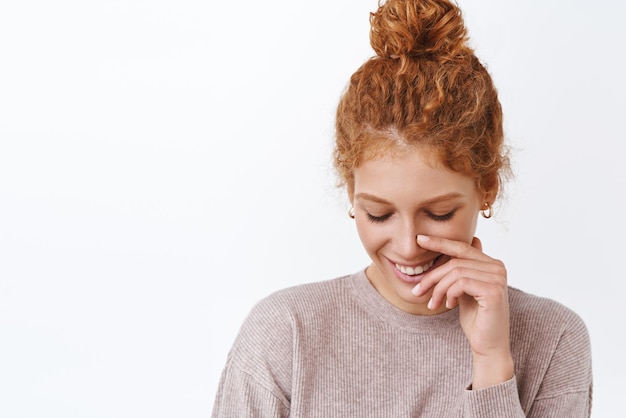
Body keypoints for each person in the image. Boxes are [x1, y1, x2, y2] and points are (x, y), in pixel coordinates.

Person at [211, 0, 593, 416]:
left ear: (487, 189)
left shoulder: (554, 339)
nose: (409, 247)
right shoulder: (284, 334)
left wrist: (492, 363)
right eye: (379, 214)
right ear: (351, 191)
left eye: (439, 213)